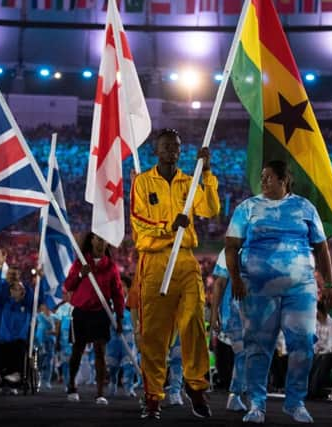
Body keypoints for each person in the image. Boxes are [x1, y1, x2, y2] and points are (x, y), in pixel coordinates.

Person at [225, 160, 332, 424]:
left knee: (303, 344)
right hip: (258, 290)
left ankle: (295, 402)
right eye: (261, 177)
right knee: (258, 347)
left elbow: (321, 248)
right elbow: (230, 245)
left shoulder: (304, 207)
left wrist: (329, 284)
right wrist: (236, 279)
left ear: (284, 179)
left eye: (268, 177)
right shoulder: (248, 208)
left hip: (301, 289)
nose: (263, 181)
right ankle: (257, 405)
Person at [130, 128, 220, 419]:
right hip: (154, 262)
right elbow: (139, 223)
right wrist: (168, 227)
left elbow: (210, 209)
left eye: (177, 147)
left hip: (184, 260)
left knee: (193, 321)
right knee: (154, 334)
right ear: (156, 151)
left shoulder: (189, 180)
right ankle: (153, 396)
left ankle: (196, 386)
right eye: (167, 146)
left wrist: (205, 173)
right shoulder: (143, 182)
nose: (173, 150)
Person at [63, 232, 124, 405]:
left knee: (100, 352)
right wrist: (81, 274)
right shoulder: (80, 263)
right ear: (91, 240)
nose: (100, 242)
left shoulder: (111, 267)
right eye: (98, 238)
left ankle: (99, 393)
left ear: (106, 244)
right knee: (77, 350)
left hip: (101, 313)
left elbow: (118, 294)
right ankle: (72, 386)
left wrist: (119, 317)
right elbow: (68, 286)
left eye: (103, 239)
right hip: (81, 312)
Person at [0, 252, 35, 395]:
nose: (15, 289)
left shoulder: (26, 304)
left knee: (18, 347)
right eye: (13, 288)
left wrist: (39, 278)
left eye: (19, 288)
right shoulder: (3, 303)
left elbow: (36, 297)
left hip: (19, 340)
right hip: (3, 338)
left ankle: (16, 374)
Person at [210, 249, 247, 412]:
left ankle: (241, 394)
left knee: (251, 354)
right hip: (235, 311)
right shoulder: (229, 249)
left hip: (259, 311)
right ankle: (236, 395)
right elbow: (219, 282)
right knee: (243, 353)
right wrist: (214, 314)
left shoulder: (265, 244)